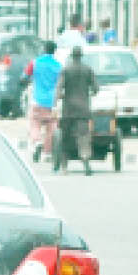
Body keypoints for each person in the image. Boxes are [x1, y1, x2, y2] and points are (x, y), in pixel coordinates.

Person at [55, 46, 100, 175]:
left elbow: (59, 88)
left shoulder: (66, 70)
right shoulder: (87, 69)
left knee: (65, 138)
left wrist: (56, 101)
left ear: (72, 56)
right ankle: (85, 162)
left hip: (68, 109)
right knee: (83, 137)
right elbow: (96, 88)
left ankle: (64, 168)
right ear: (81, 56)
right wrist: (88, 92)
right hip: (83, 109)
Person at [22, 40, 62, 163]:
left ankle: (37, 141)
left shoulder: (35, 63)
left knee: (35, 124)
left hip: (37, 100)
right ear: (54, 51)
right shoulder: (58, 66)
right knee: (51, 127)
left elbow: (24, 77)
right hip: (52, 102)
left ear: (44, 49)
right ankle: (47, 153)